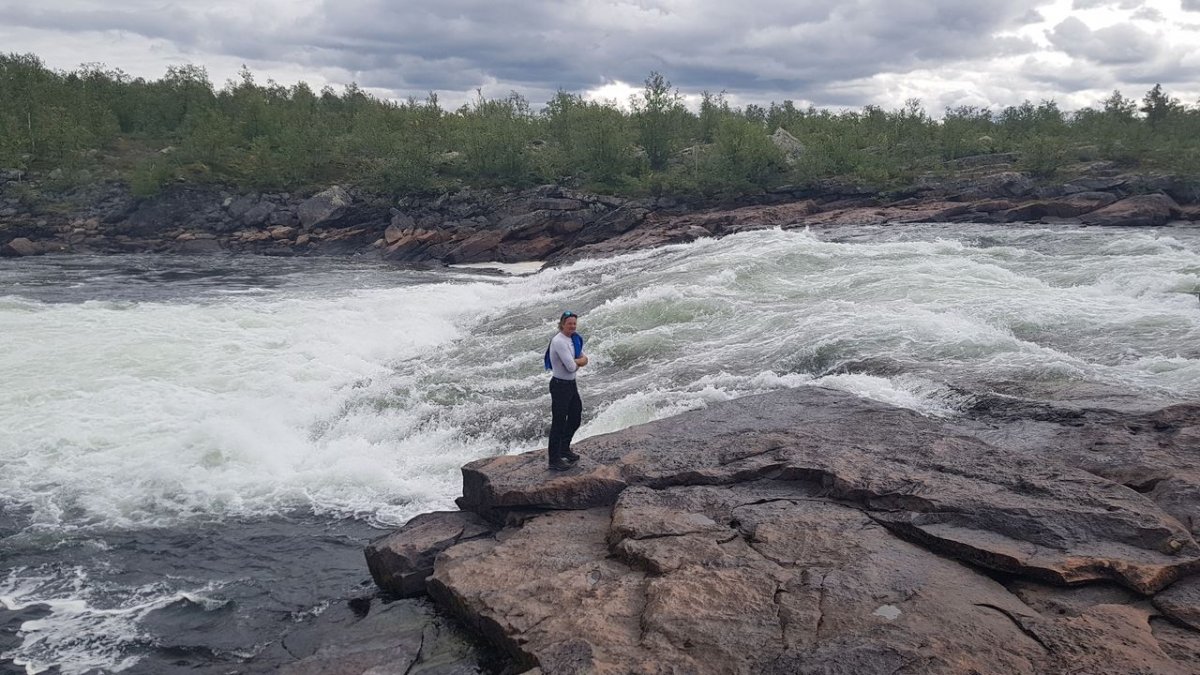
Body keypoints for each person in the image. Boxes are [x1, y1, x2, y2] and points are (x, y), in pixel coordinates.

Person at [544, 310, 587, 471]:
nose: (573, 326)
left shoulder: (574, 339)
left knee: (575, 417)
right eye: (569, 323)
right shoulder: (559, 341)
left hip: (571, 385)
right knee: (559, 422)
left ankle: (564, 448)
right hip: (560, 386)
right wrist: (579, 361)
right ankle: (554, 459)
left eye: (574, 323)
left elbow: (583, 359)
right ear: (562, 324)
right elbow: (571, 367)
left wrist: (578, 361)